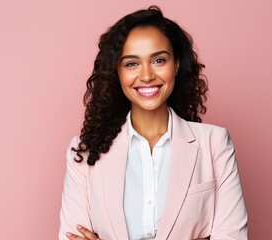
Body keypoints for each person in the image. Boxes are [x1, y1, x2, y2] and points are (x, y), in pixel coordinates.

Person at [59, 6, 247, 240]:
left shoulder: (214, 144)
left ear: (176, 65)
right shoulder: (85, 152)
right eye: (131, 63)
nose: (147, 75)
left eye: (158, 60)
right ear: (116, 72)